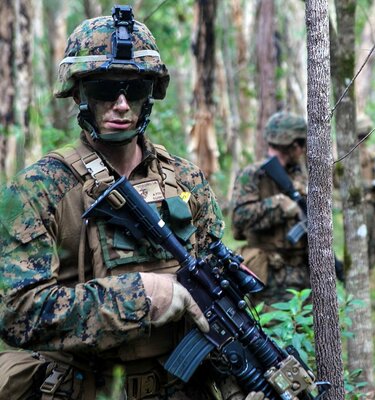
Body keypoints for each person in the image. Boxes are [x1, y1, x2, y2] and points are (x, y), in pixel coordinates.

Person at [0, 8, 263, 400]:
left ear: (149, 97)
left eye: (134, 90)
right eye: (105, 89)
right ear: (78, 93)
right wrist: (143, 296)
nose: (121, 104)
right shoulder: (38, 189)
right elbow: (17, 313)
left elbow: (213, 300)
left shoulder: (186, 180)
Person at [231, 112, 309, 306]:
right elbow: (238, 220)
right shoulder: (254, 174)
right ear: (294, 145)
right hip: (270, 271)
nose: (303, 150)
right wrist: (278, 206)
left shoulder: (303, 172)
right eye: (302, 145)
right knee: (274, 330)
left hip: (303, 270)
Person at [357, 114, 375, 270]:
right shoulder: (349, 153)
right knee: (361, 242)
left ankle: (368, 273)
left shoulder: (370, 153)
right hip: (360, 204)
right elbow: (339, 181)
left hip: (373, 204)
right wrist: (368, 185)